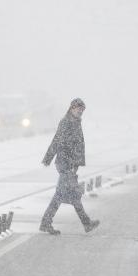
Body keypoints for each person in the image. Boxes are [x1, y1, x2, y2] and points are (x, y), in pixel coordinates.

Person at [39, 98, 100, 235]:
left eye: (82, 109)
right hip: (65, 164)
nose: (80, 111)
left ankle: (85, 223)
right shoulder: (66, 122)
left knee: (72, 196)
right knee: (62, 195)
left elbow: (77, 144)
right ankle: (46, 222)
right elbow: (58, 141)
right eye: (78, 108)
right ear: (72, 108)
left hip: (70, 165)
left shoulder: (75, 122)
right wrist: (49, 158)